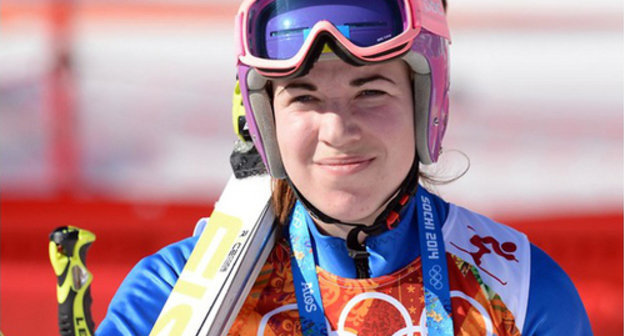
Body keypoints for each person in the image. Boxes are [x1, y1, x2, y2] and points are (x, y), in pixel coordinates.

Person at [96, 0, 593, 335]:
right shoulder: (171, 294)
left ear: (426, 103)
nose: (337, 130)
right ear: (264, 121)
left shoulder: (521, 289)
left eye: (371, 91)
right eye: (304, 97)